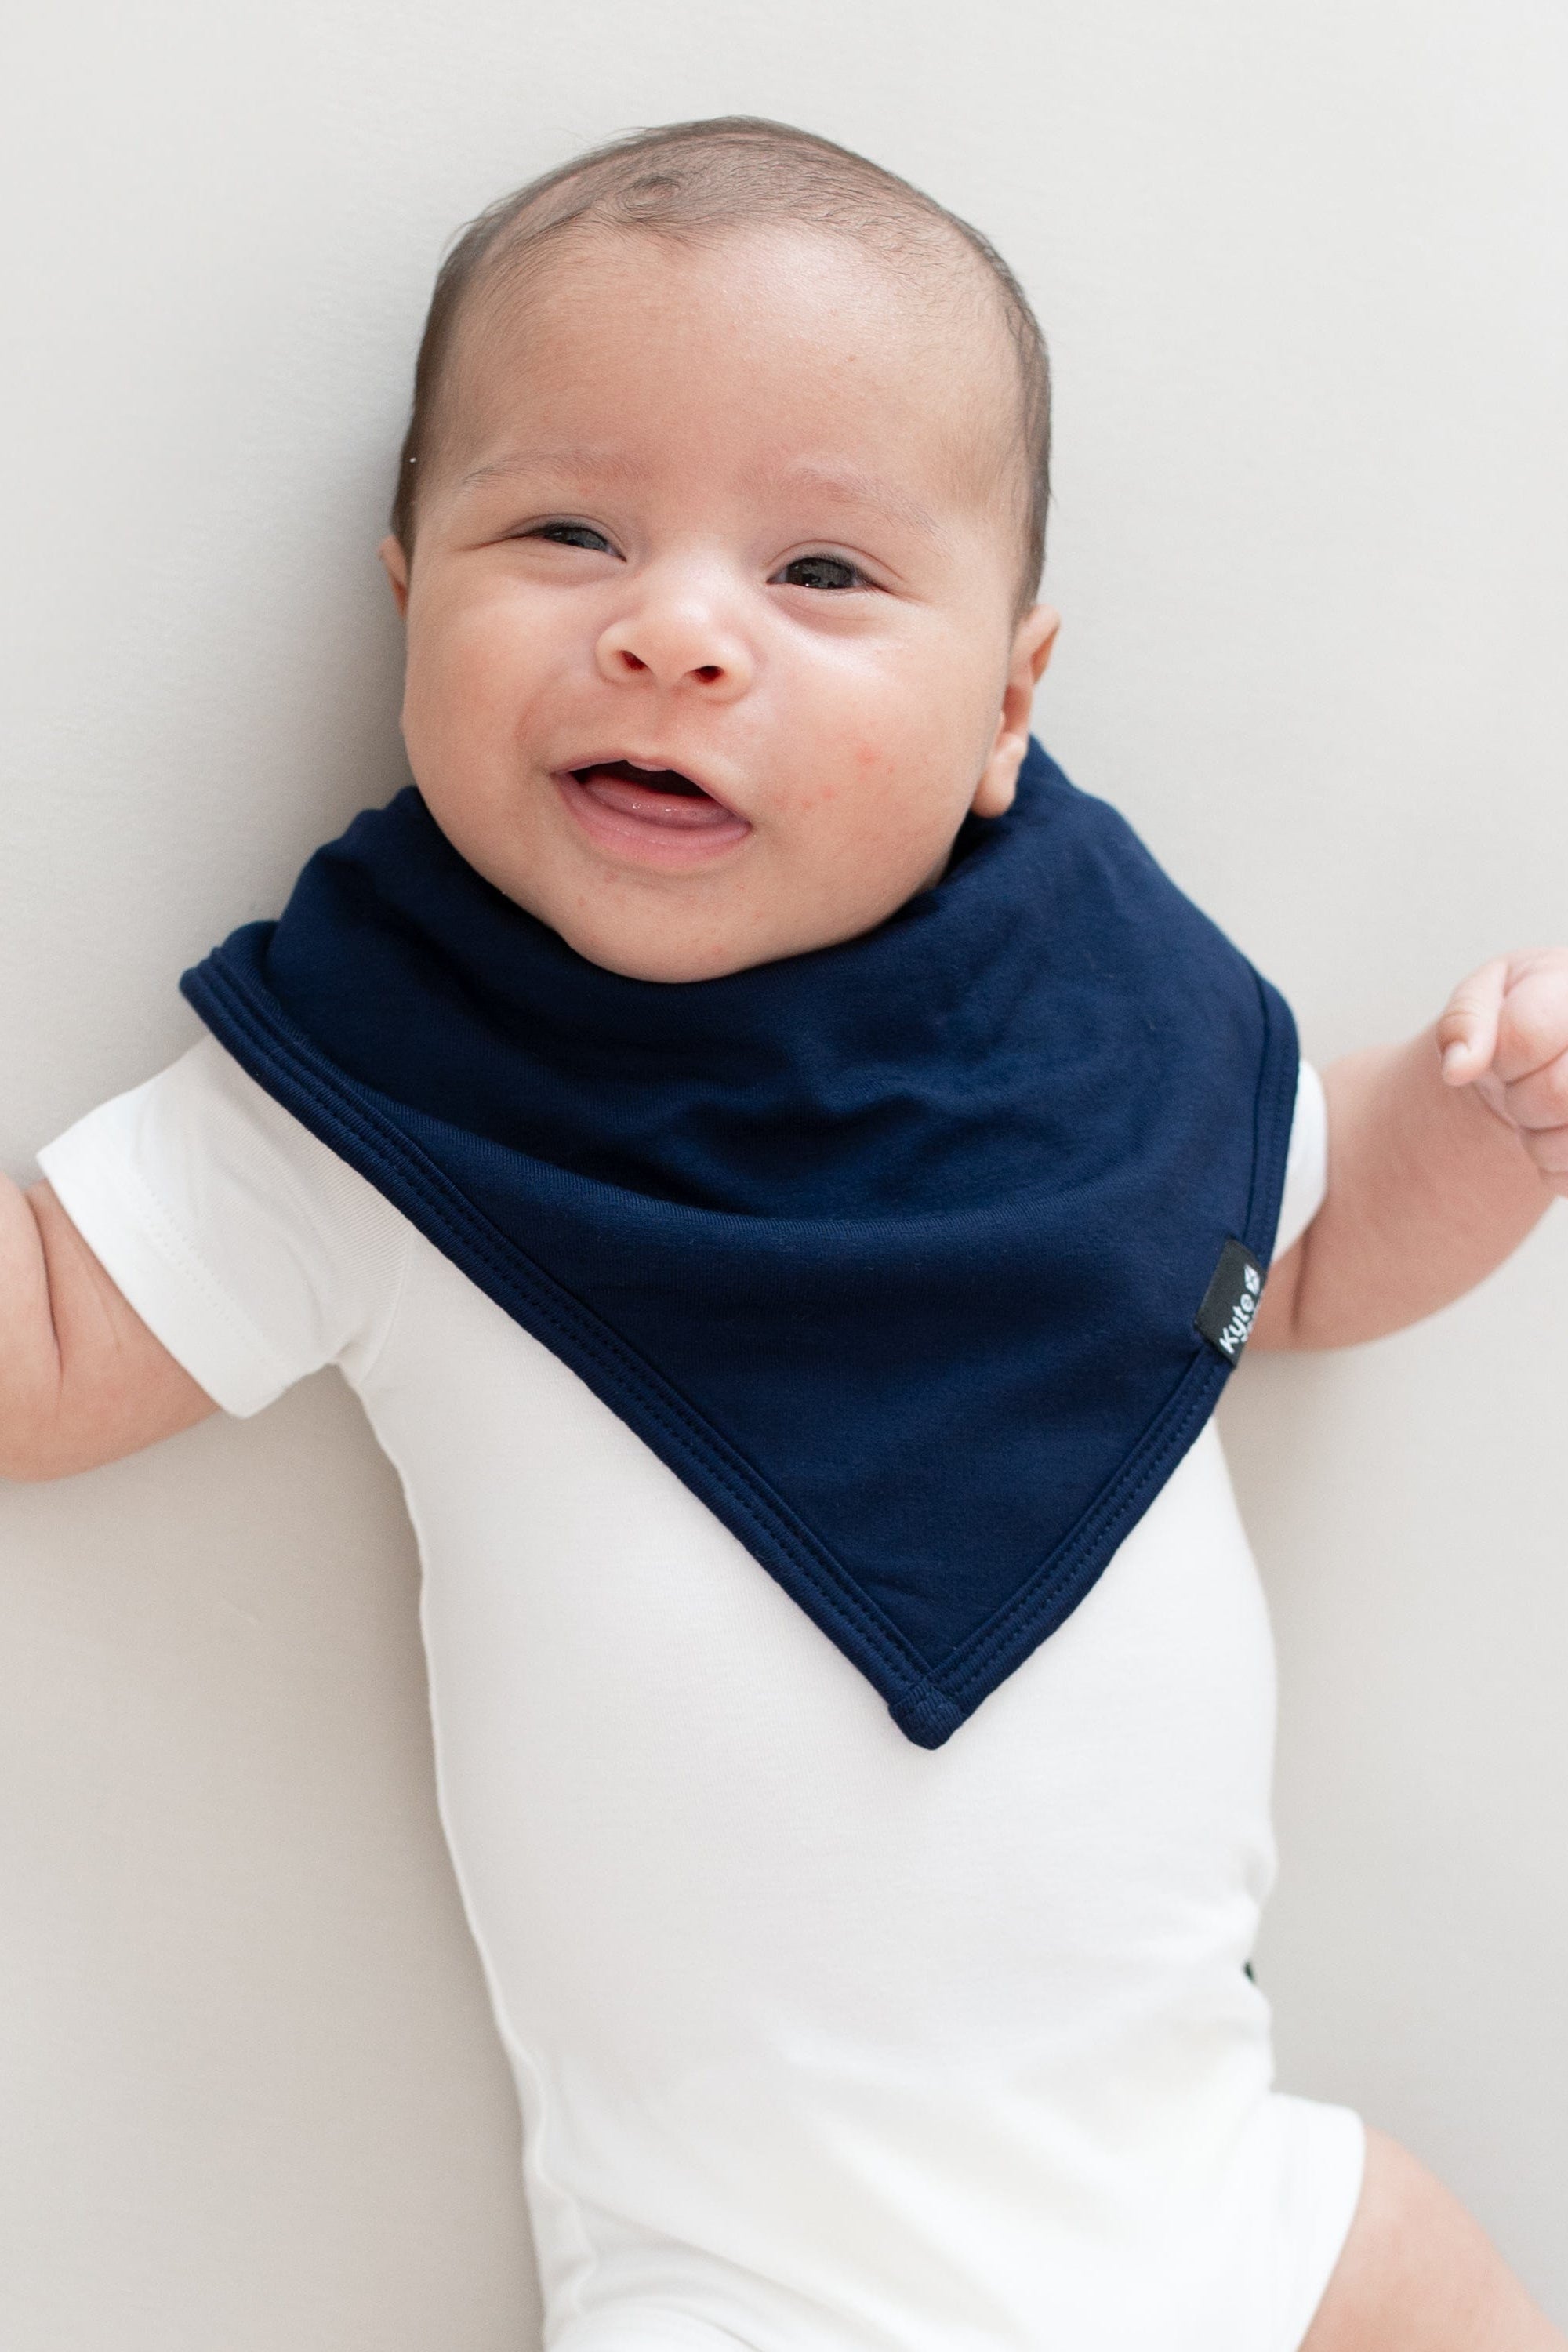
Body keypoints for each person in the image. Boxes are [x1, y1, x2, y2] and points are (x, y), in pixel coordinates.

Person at [4, 117, 1566, 2351]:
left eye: (823, 575)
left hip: (1242, 2225)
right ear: (407, 597)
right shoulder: (376, 1088)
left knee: (1426, 2256)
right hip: (751, 2294)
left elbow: (1291, 1259)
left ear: (1011, 704)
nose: (676, 632)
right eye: (564, 529)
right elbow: (51, 1334)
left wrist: (1482, 1124)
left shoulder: (1095, 1022)